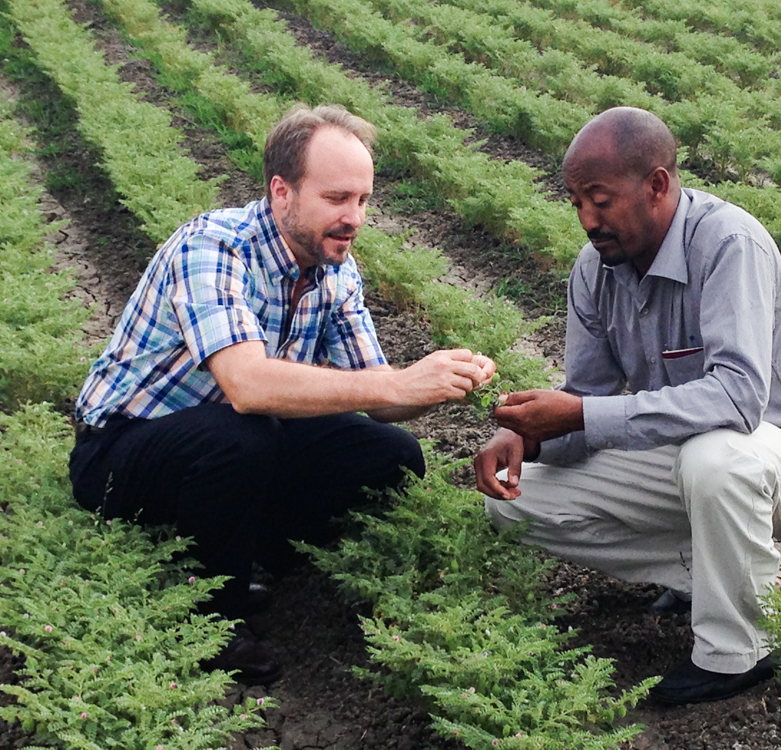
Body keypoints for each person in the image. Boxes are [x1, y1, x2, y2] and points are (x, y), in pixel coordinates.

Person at [70, 103, 495, 685]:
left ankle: (254, 548)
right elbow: (246, 386)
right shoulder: (213, 247)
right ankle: (213, 618)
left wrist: (438, 379)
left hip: (237, 438)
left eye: (364, 200)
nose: (354, 217)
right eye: (337, 198)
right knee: (242, 434)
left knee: (390, 452)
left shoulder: (336, 270)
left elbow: (381, 399)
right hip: (122, 449)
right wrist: (394, 380)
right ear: (281, 192)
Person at [474, 107, 781, 705]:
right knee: (518, 502)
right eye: (576, 201)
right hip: (698, 459)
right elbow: (592, 401)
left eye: (600, 200)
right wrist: (533, 439)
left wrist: (577, 416)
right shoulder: (594, 271)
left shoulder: (728, 242)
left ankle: (736, 651)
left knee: (716, 457)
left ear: (657, 185)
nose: (586, 220)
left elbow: (736, 399)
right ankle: (701, 578)